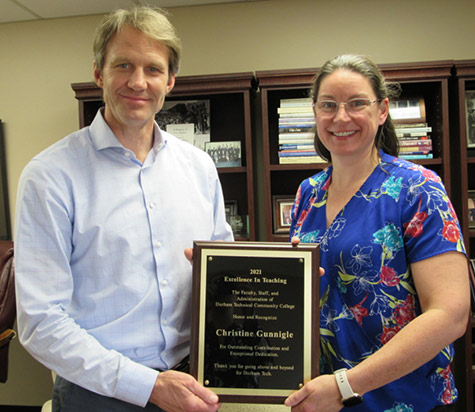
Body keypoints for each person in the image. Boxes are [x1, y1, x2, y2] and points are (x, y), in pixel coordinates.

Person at [14, 6, 233, 412]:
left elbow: (223, 272)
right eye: (123, 65)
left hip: (192, 386)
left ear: (170, 80)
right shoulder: (49, 176)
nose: (138, 82)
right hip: (97, 396)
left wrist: (286, 276)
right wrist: (147, 385)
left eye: (153, 69)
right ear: (99, 72)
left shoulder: (198, 167)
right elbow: (41, 322)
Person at [284, 54, 470, 412]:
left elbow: (450, 314)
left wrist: (344, 386)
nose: (341, 117)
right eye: (328, 105)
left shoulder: (417, 189)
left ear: (382, 110)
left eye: (357, 103)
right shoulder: (309, 192)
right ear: (315, 112)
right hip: (319, 399)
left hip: (402, 400)